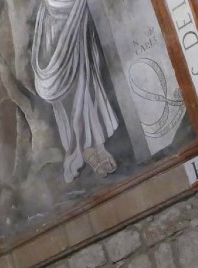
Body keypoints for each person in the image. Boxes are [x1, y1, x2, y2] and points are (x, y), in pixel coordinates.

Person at [32, 0, 120, 183]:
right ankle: (83, 148)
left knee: (87, 79)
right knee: (67, 87)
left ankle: (97, 143)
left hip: (78, 9)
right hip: (56, 14)